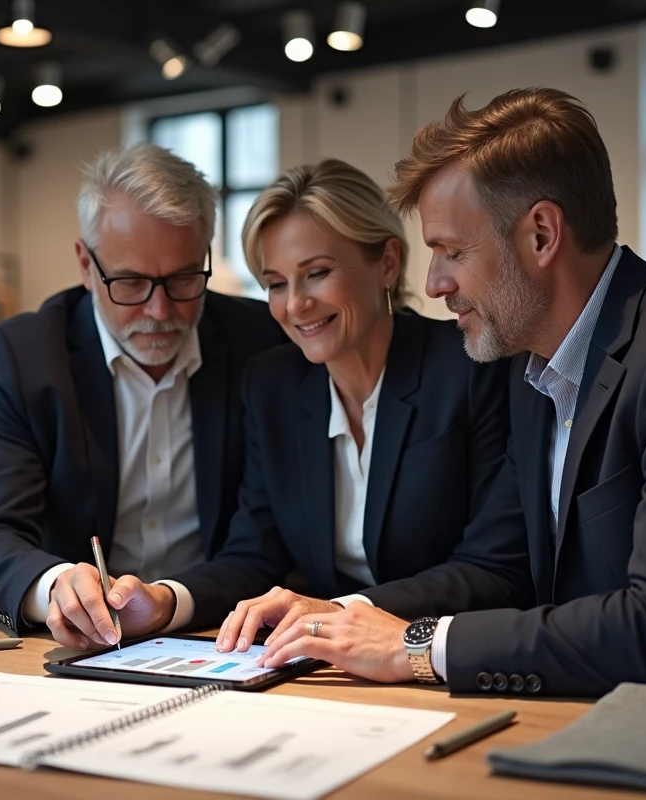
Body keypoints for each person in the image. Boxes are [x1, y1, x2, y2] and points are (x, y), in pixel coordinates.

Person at [250, 88, 646, 697]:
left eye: (451, 251)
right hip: (605, 713)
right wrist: (338, 617)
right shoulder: (532, 367)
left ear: (542, 235)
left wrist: (417, 645)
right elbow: (501, 566)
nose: (434, 283)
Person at [46, 158, 510, 648]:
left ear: (388, 263)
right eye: (275, 283)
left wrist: (339, 614)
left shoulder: (469, 370)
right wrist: (162, 602)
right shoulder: (274, 386)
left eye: (317, 273)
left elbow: (494, 567)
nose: (295, 305)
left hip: (440, 656)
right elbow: (254, 553)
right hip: (324, 667)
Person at [0, 143, 286, 646]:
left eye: (182, 279)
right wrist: (56, 587)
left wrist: (171, 600)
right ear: (86, 266)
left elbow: (265, 538)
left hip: (214, 630)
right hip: (77, 643)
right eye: (130, 282)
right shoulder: (26, 355)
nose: (159, 310)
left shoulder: (261, 342)